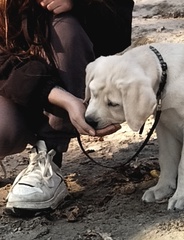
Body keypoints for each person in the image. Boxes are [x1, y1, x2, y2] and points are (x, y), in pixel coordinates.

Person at [0, 0, 134, 215]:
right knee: (3, 131)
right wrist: (64, 99)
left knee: (66, 28)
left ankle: (48, 157)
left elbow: (119, 34)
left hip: (68, 67)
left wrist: (81, 4)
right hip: (10, 79)